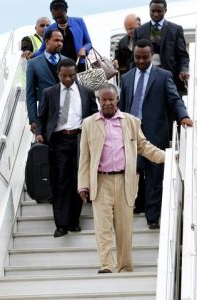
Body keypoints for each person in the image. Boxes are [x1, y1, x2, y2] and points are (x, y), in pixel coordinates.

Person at [78, 83, 165, 273]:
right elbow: (84, 157)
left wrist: (167, 157)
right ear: (99, 101)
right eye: (104, 100)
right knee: (103, 227)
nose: (108, 103)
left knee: (124, 228)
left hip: (125, 181)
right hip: (100, 181)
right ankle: (107, 265)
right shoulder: (88, 123)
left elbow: (144, 147)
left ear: (117, 99)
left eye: (111, 99)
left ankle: (125, 266)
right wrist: (83, 184)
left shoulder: (131, 121)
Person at [119, 39, 193, 228]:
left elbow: (174, 99)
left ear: (152, 55)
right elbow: (123, 105)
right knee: (135, 169)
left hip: (155, 131)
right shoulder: (126, 77)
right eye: (137, 57)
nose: (141, 61)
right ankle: (138, 204)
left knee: (154, 174)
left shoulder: (163, 75)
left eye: (145, 57)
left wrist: (183, 116)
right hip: (131, 131)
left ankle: (152, 217)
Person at [36, 58, 98, 238]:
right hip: (58, 140)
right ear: (58, 75)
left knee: (77, 182)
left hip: (80, 140)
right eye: (64, 76)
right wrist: (39, 133)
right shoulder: (50, 92)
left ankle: (73, 221)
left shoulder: (86, 92)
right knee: (60, 182)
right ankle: (61, 224)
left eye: (72, 75)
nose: (69, 79)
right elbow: (42, 117)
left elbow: (94, 115)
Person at [133, 0, 189, 96]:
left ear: (165, 10)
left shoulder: (176, 30)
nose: (155, 14)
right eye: (153, 11)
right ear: (149, 10)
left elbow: (183, 55)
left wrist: (184, 69)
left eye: (159, 11)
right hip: (145, 78)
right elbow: (133, 58)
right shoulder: (139, 31)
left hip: (170, 77)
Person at [32, 0, 92, 72]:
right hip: (60, 67)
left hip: (79, 64)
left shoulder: (79, 22)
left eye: (61, 17)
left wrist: (83, 49)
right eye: (55, 18)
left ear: (66, 11)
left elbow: (88, 43)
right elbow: (43, 49)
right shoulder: (49, 29)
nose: (58, 20)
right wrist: (33, 55)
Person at [26, 29, 67, 134]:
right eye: (56, 40)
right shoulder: (33, 63)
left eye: (61, 41)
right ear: (47, 41)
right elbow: (30, 94)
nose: (60, 44)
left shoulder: (67, 62)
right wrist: (33, 120)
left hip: (67, 115)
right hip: (45, 116)